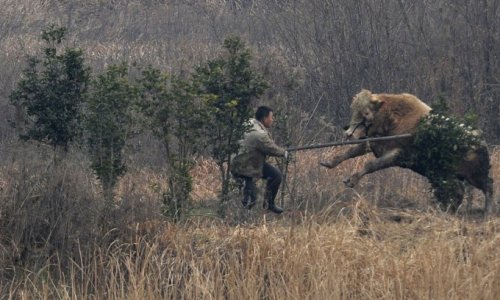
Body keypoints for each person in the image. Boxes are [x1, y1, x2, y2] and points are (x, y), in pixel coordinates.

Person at [231, 106, 288, 214]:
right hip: (247, 164)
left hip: (244, 160)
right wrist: (283, 152)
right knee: (252, 195)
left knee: (275, 175)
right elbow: (270, 148)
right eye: (271, 117)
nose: (273, 119)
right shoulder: (259, 134)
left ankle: (267, 204)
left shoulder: (249, 122)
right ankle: (247, 213)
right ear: (264, 118)